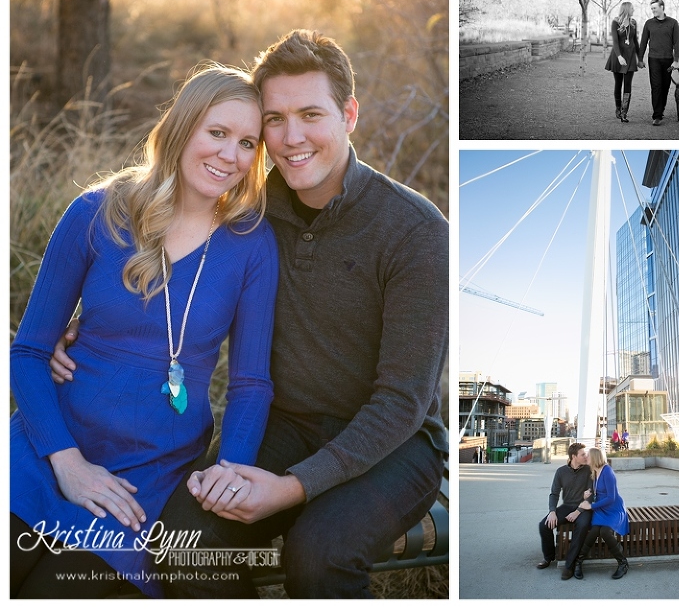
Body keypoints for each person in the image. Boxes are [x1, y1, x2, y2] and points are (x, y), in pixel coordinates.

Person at [50, 29, 449, 599]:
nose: (291, 138)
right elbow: (170, 266)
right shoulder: (249, 215)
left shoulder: (415, 231)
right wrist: (85, 329)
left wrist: (291, 489)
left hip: (397, 445)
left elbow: (402, 402)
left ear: (350, 114)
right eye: (275, 119)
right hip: (283, 426)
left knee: (320, 554)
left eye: (311, 114)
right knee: (187, 545)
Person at [10, 63, 279, 598]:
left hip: (145, 474)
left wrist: (232, 469)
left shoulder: (251, 243)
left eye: (248, 143)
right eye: (218, 133)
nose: (230, 155)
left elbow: (250, 382)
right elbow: (29, 352)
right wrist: (67, 463)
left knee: (55, 589)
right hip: (49, 448)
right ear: (183, 128)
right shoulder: (97, 212)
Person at [536, 443, 592, 580]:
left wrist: (578, 511)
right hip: (566, 507)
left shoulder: (589, 470)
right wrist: (552, 511)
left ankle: (569, 565)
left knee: (583, 526)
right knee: (544, 525)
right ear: (574, 457)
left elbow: (591, 495)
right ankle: (549, 557)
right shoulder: (561, 472)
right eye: (582, 454)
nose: (586, 456)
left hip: (584, 508)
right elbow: (554, 493)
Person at [573, 447, 630, 580]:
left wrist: (591, 506)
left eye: (588, 456)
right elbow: (599, 492)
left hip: (613, 509)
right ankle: (578, 562)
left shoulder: (607, 472)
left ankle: (623, 563)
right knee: (593, 532)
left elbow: (611, 497)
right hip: (601, 509)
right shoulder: (595, 472)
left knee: (605, 532)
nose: (586, 458)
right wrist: (589, 494)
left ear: (595, 458)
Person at [637, 0, 679, 126]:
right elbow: (643, 42)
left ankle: (660, 110)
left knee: (665, 87)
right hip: (654, 60)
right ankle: (657, 116)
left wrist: (676, 60)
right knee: (656, 86)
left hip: (668, 60)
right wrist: (640, 59)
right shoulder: (649, 23)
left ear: (662, 7)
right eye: (651, 8)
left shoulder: (673, 23)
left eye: (655, 8)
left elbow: (677, 43)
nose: (653, 11)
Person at [604, 1, 644, 123]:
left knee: (628, 84)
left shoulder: (633, 23)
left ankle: (624, 112)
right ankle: (618, 108)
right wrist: (619, 56)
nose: (634, 10)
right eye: (632, 8)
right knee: (618, 83)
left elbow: (635, 41)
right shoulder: (615, 22)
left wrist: (640, 59)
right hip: (618, 57)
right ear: (626, 9)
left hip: (630, 57)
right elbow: (615, 42)